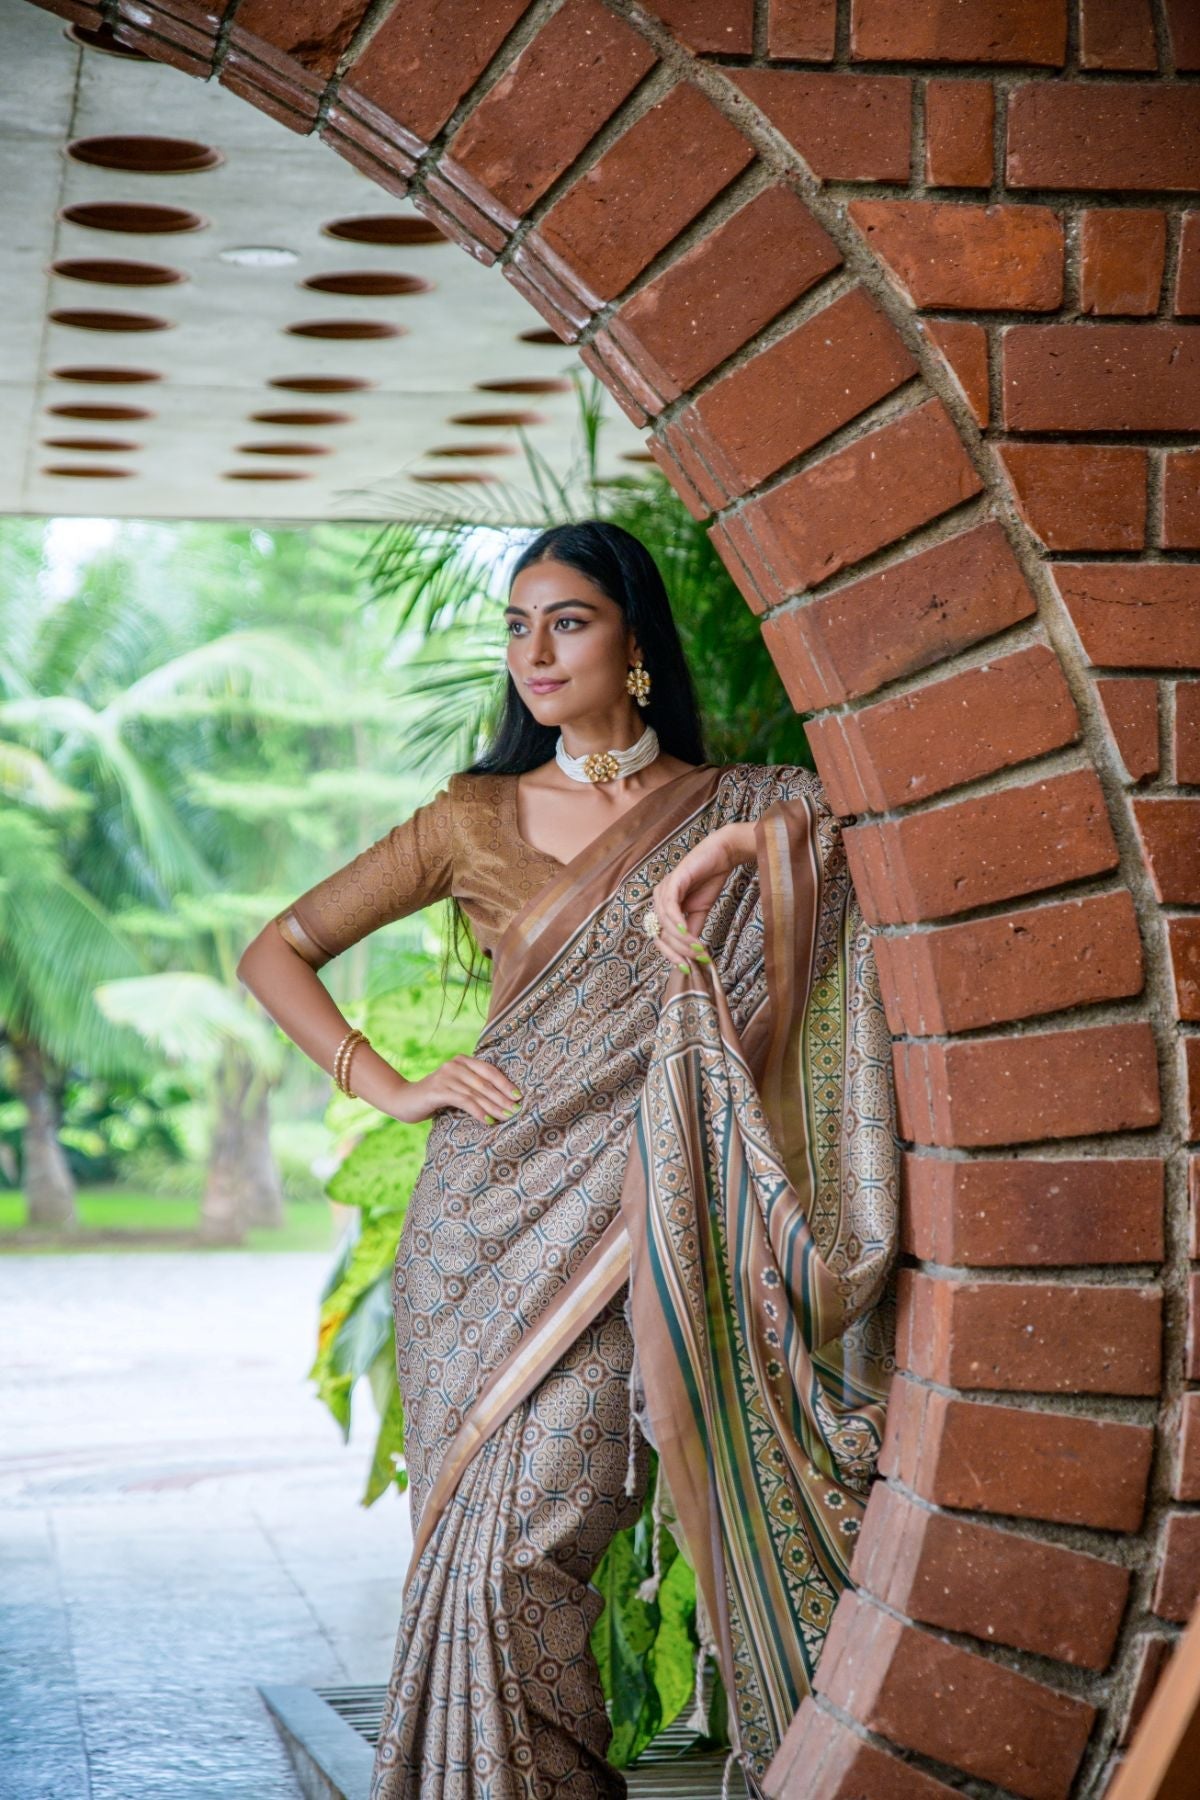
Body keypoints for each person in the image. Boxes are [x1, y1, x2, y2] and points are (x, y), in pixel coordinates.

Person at [236, 519, 900, 1800]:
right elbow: (276, 950)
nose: (533, 651)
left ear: (635, 644)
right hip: (477, 1229)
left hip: (628, 1229)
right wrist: (386, 1083)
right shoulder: (472, 817)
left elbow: (862, 822)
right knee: (473, 1558)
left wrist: (723, 851)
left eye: (569, 621)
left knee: (535, 1549)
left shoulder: (739, 804)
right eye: (515, 625)